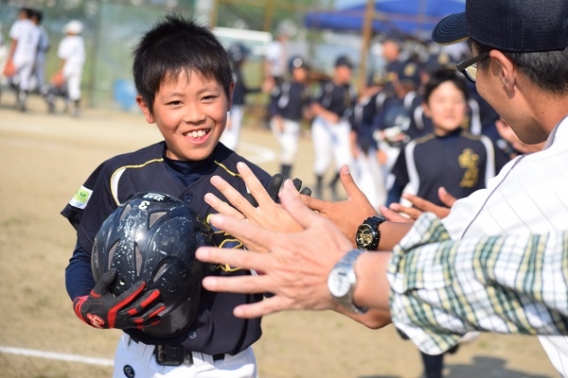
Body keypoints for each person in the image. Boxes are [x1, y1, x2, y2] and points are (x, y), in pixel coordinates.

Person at [190, 0, 568, 375]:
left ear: (503, 69)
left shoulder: (541, 178)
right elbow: (464, 247)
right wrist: (368, 229)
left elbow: (387, 303)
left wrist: (318, 261)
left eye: (473, 68)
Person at [62, 16, 276, 378]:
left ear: (230, 93)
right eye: (175, 103)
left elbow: (287, 273)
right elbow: (84, 255)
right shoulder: (120, 176)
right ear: (146, 108)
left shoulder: (256, 188)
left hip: (225, 369)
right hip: (137, 361)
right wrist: (86, 302)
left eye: (208, 97)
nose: (195, 115)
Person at [386, 68, 505, 208]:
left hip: (471, 228)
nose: (449, 107)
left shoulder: (485, 146)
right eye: (440, 101)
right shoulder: (413, 149)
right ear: (426, 108)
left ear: (467, 106)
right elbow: (394, 191)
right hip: (426, 227)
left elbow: (508, 188)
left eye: (457, 101)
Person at [311, 54, 357, 200]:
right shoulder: (328, 86)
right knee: (323, 161)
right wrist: (327, 115)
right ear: (337, 69)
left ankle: (332, 184)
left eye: (350, 69)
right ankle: (318, 186)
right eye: (346, 68)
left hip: (341, 125)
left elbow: (354, 109)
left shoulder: (350, 89)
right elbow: (314, 106)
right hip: (324, 125)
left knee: (345, 161)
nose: (349, 72)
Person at [268, 55, 312, 180]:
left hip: (295, 124)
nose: (303, 72)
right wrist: (277, 117)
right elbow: (274, 102)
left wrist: (308, 113)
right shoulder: (285, 85)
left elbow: (307, 105)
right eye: (299, 70)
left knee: (290, 153)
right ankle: (284, 178)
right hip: (282, 121)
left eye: (303, 70)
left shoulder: (305, 88)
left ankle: (282, 179)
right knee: (290, 149)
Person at [219, 43, 260, 151]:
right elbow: (230, 95)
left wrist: (261, 89)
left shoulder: (237, 72)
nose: (246, 59)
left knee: (234, 141)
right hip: (233, 110)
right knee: (231, 142)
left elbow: (243, 91)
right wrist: (229, 115)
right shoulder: (233, 74)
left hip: (235, 110)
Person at [5, 7, 40, 111]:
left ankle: (18, 96)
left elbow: (15, 41)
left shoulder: (19, 24)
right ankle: (22, 100)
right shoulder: (35, 27)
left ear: (25, 15)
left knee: (7, 76)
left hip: (19, 55)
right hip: (30, 57)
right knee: (24, 80)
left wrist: (10, 57)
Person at [51, 20, 85, 117]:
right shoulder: (80, 41)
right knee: (74, 89)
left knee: (53, 85)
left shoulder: (68, 40)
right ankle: (75, 109)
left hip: (68, 67)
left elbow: (64, 57)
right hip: (78, 67)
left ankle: (52, 106)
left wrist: (60, 71)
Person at [30, 9, 49, 94]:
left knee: (39, 80)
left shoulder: (38, 29)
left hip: (37, 55)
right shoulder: (40, 29)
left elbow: (45, 46)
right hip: (36, 56)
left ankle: (49, 97)